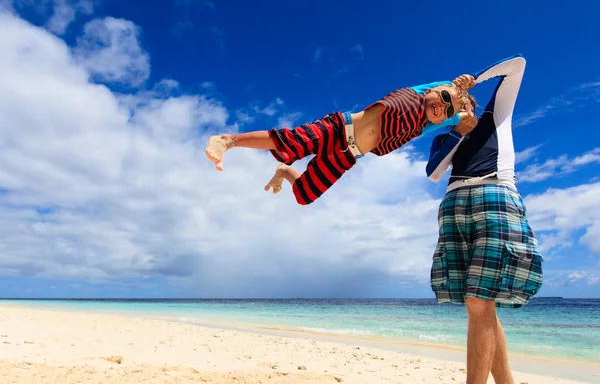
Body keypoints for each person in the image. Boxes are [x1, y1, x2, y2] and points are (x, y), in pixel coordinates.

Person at [426, 54, 544, 384]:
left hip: (496, 195)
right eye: (433, 109)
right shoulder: (443, 138)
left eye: (440, 100)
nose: (436, 109)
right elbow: (434, 173)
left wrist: (475, 77)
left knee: (479, 301)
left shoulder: (497, 115)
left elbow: (518, 64)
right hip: (454, 205)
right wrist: (459, 132)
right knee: (480, 305)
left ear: (461, 97)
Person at [205, 75, 475, 205]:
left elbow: (460, 118)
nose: (442, 105)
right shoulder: (416, 95)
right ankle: (228, 141)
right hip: (339, 128)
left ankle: (284, 171)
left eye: (449, 109)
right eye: (443, 97)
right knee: (288, 141)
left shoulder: (429, 123)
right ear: (432, 89)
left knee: (305, 195)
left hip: (348, 155)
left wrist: (464, 111)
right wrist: (461, 85)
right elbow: (447, 90)